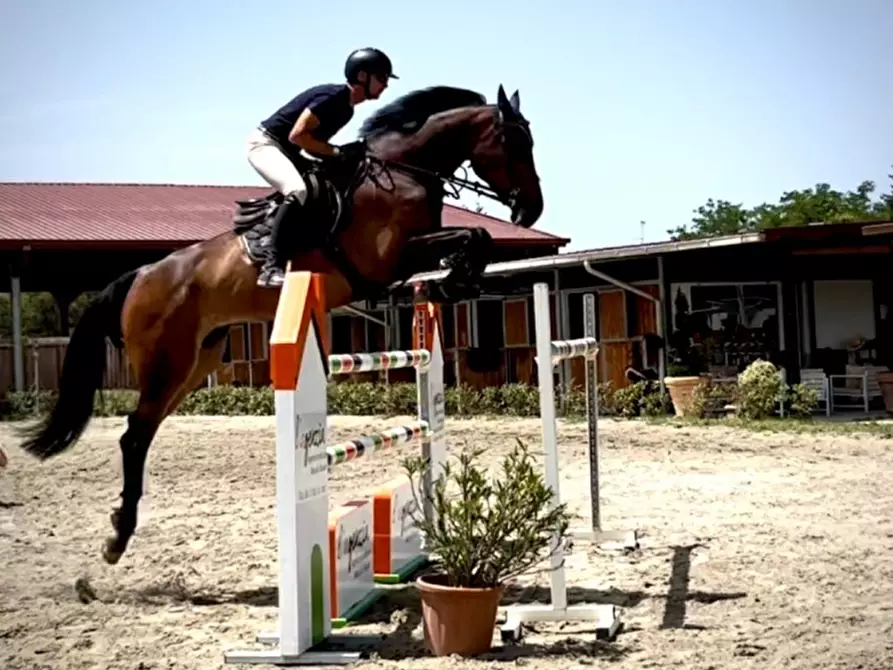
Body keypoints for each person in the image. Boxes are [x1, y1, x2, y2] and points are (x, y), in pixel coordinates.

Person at [245, 47, 399, 287]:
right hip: (266, 145)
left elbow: (312, 144)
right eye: (381, 78)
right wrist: (337, 152)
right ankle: (270, 267)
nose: (385, 85)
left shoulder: (346, 109)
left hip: (290, 150)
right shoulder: (334, 97)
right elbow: (298, 136)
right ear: (362, 76)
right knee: (298, 190)